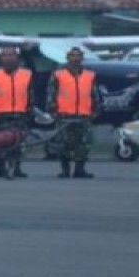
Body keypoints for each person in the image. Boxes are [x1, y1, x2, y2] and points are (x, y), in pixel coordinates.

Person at [47, 46, 99, 178]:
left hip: (84, 116)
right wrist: (53, 112)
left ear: (82, 58)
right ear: (67, 58)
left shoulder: (90, 75)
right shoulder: (58, 75)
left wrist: (94, 110)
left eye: (78, 56)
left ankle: (80, 170)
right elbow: (51, 95)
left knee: (84, 144)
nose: (75, 58)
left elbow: (94, 95)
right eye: (72, 56)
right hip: (64, 116)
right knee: (63, 144)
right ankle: (65, 170)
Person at [0, 45, 33, 179]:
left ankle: (17, 168)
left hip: (20, 113)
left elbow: (31, 95)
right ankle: (1, 168)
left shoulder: (27, 74)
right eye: (5, 55)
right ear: (0, 58)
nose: (8, 58)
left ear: (17, 57)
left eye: (11, 55)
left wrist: (29, 112)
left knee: (18, 142)